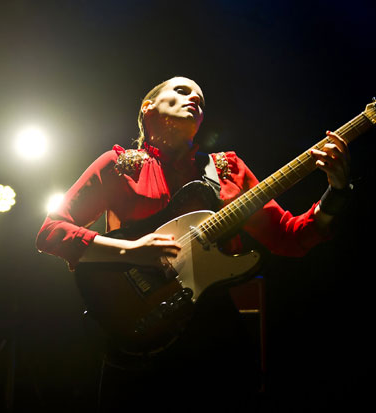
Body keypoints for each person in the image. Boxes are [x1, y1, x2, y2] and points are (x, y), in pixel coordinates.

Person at [35, 76, 351, 411]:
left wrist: (338, 191)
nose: (195, 100)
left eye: (201, 99)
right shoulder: (118, 165)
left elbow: (290, 237)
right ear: (148, 107)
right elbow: (51, 230)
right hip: (138, 326)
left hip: (215, 336)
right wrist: (131, 250)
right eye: (183, 91)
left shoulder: (227, 170)